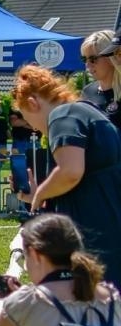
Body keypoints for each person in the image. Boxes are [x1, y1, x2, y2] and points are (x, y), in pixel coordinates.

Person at [12, 65, 121, 285]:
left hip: (94, 233)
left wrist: (40, 194)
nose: (34, 129)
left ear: (33, 103)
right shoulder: (87, 112)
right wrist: (41, 193)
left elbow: (71, 171)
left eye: (28, 120)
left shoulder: (63, 115)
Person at [79, 29, 121, 131]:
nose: (87, 65)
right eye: (84, 59)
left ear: (112, 58)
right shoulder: (87, 91)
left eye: (93, 59)